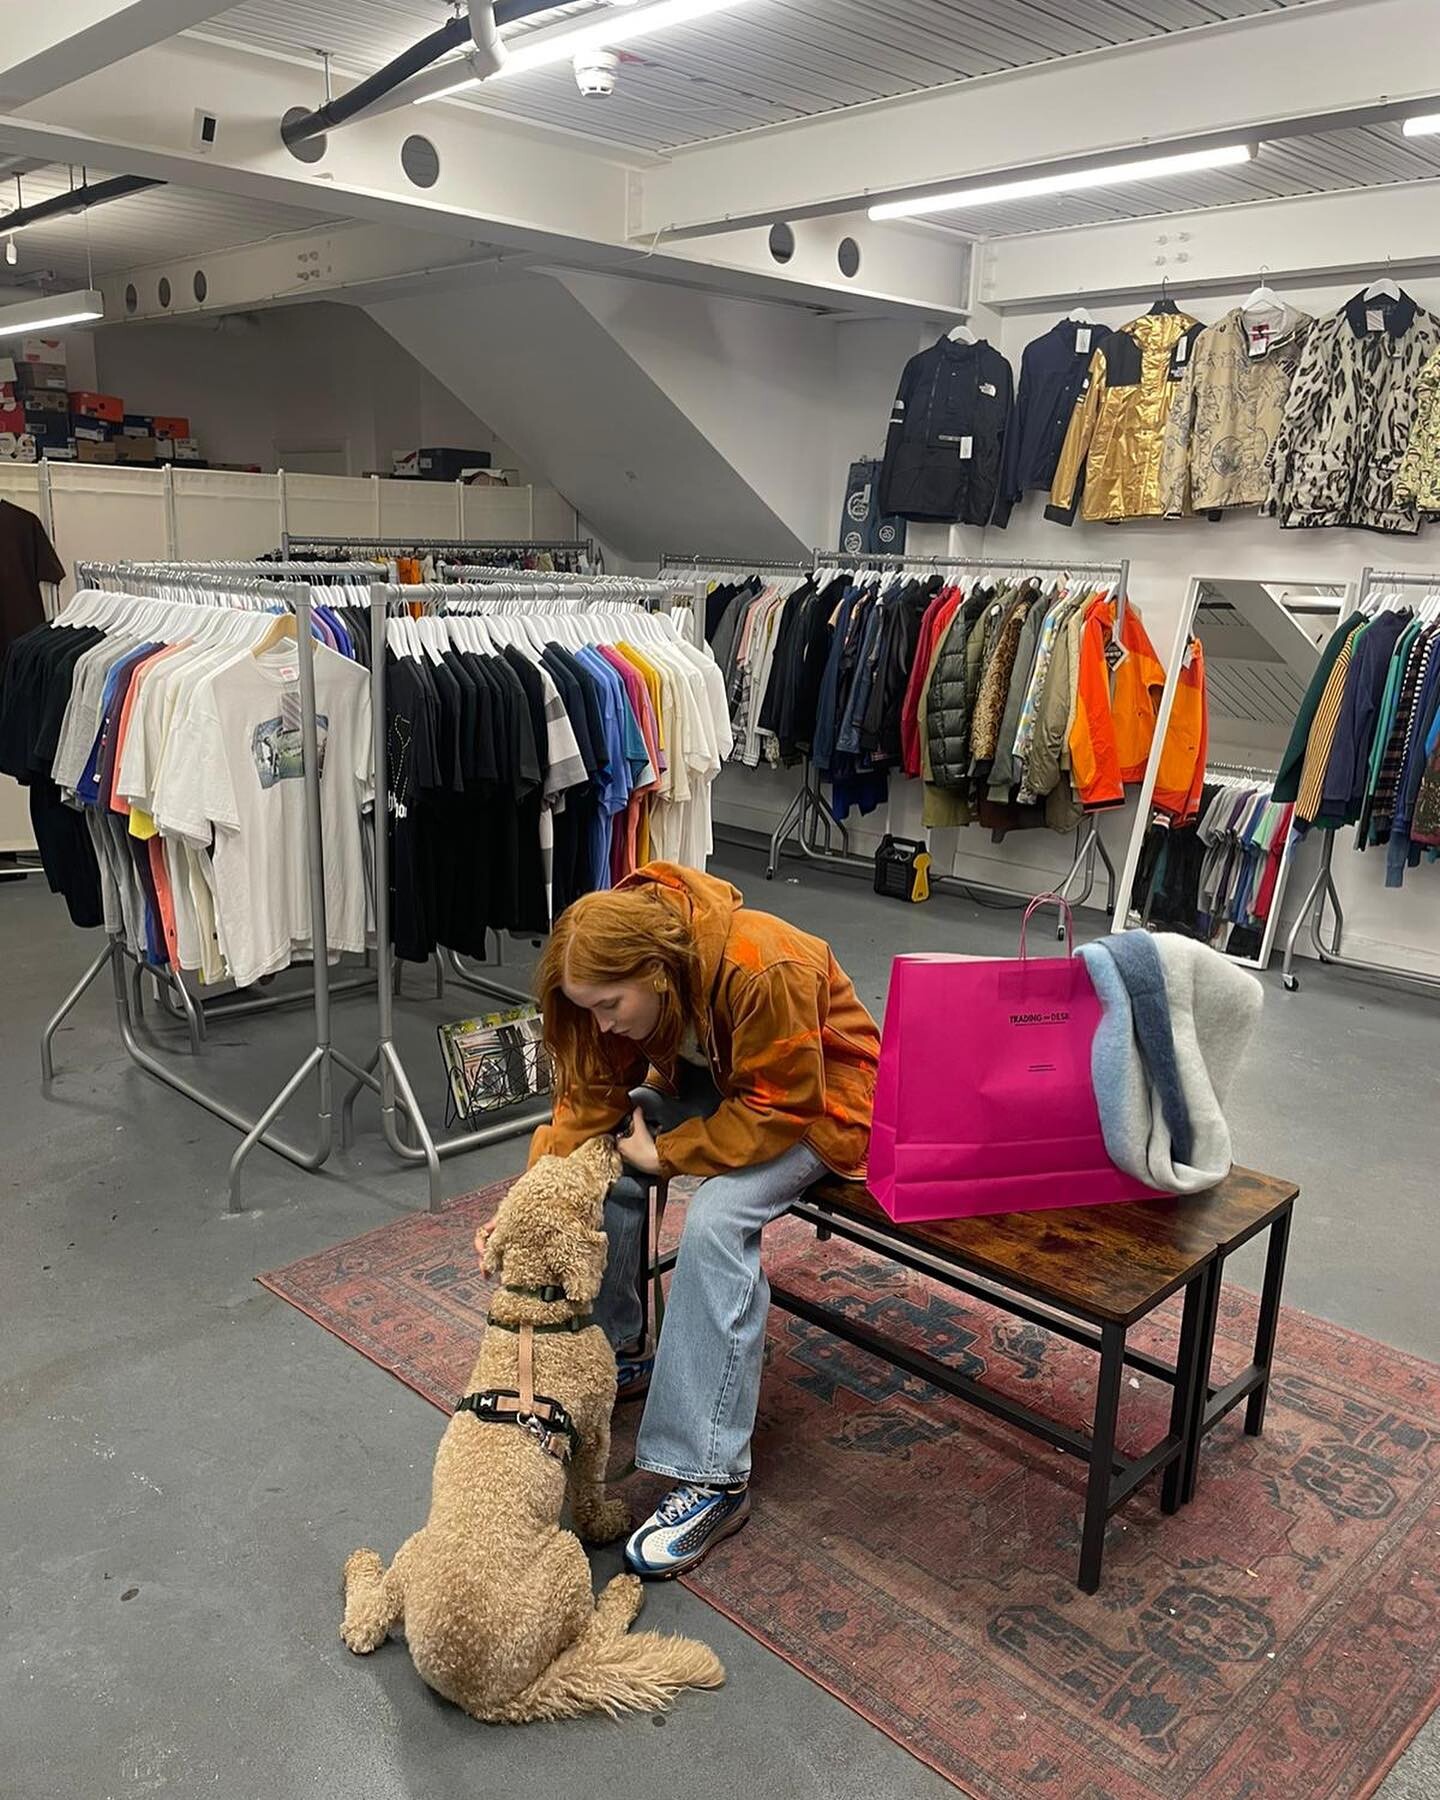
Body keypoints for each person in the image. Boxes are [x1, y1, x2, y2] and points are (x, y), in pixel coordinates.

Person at [529, 861, 879, 1578]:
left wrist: (670, 1154)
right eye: (589, 1008)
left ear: (655, 972)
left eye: (609, 1005)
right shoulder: (630, 976)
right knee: (604, 1152)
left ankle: (713, 1475)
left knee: (716, 1218)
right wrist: (535, 1196)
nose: (601, 1023)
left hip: (824, 1102)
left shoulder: (763, 963)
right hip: (730, 1082)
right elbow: (590, 1098)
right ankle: (618, 1351)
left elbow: (783, 1107)